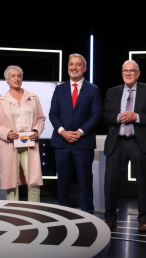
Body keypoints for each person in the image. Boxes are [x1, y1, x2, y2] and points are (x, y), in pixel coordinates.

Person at [102, 60, 146, 232]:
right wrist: (118, 118)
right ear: (122, 73)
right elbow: (104, 115)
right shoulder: (112, 92)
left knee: (143, 183)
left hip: (138, 141)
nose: (128, 73)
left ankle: (143, 220)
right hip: (117, 142)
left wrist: (137, 117)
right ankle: (110, 218)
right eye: (125, 70)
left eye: (132, 70)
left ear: (138, 73)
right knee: (110, 182)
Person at [49, 53, 102, 214]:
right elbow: (53, 113)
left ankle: (87, 215)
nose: (74, 67)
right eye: (71, 64)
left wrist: (80, 132)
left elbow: (96, 114)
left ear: (84, 68)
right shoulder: (59, 89)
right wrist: (62, 131)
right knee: (62, 181)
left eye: (78, 64)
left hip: (83, 142)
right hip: (61, 142)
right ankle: (63, 214)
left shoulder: (93, 89)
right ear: (67, 68)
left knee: (85, 181)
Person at [0, 65, 46, 202]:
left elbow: (41, 119)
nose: (16, 79)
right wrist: (8, 133)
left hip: (29, 144)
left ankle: (35, 212)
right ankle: (12, 212)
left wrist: (36, 131)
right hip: (10, 144)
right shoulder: (1, 101)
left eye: (19, 76)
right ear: (7, 79)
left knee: (33, 181)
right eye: (13, 76)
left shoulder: (33, 98)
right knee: (11, 182)